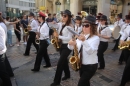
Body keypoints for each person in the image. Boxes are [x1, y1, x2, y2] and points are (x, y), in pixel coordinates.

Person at [68, 15, 100, 86]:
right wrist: (71, 43)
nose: (84, 28)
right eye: (83, 25)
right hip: (81, 64)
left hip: (91, 66)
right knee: (85, 83)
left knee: (81, 84)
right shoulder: (81, 35)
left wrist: (84, 41)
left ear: (92, 27)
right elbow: (72, 48)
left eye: (87, 26)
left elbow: (90, 51)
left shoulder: (96, 38)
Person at [50, 9, 73, 86]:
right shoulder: (60, 24)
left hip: (67, 46)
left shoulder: (70, 26)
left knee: (60, 63)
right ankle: (67, 75)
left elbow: (69, 38)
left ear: (69, 17)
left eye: (65, 16)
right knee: (64, 61)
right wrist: (52, 23)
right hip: (61, 45)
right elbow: (51, 26)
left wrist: (58, 36)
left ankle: (56, 82)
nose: (63, 17)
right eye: (62, 15)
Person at [119, 15, 130, 86]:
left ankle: (122, 83)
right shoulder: (128, 27)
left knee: (128, 66)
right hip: (127, 47)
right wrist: (122, 40)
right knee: (127, 63)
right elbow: (124, 35)